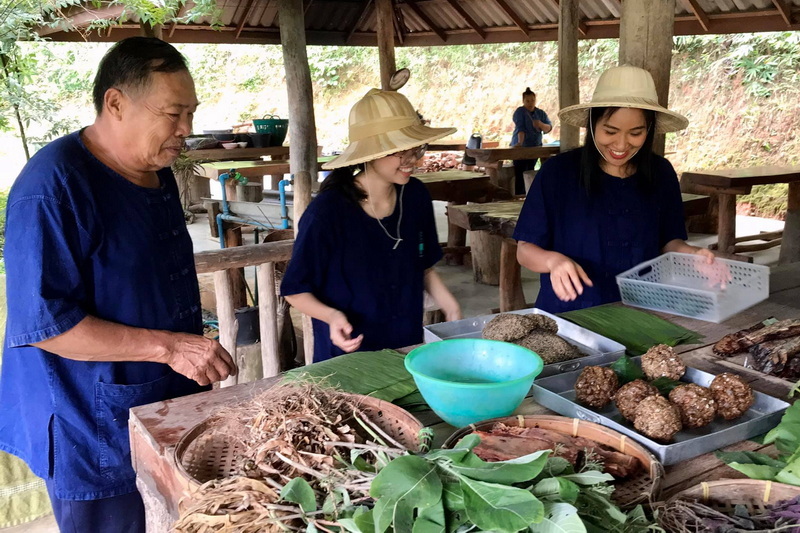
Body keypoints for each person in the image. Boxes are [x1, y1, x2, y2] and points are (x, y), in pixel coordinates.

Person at [0, 37, 237, 532]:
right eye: (173, 114)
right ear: (115, 103)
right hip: (86, 416)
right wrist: (171, 348)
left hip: (158, 394)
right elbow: (45, 325)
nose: (186, 131)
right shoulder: (53, 188)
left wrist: (180, 353)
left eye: (190, 113)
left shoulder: (156, 169)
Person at [514, 65, 718, 314]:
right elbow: (525, 250)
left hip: (643, 310)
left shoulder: (660, 173)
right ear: (592, 124)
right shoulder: (558, 173)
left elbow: (667, 241)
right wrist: (552, 261)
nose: (621, 144)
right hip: (572, 315)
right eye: (610, 131)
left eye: (636, 133)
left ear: (649, 130)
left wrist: (692, 254)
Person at [281, 88, 462, 363]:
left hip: (405, 347)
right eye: (400, 152)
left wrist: (450, 306)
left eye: (416, 149)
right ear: (371, 153)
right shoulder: (327, 213)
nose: (412, 160)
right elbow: (295, 289)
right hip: (348, 356)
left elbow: (423, 265)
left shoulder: (415, 196)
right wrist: (331, 316)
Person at [510, 87, 552, 194]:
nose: (530, 103)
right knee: (520, 172)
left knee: (530, 169)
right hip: (521, 147)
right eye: (527, 101)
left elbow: (549, 128)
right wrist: (520, 143)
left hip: (535, 146)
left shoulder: (540, 113)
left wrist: (540, 124)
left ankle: (530, 193)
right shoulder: (520, 112)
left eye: (532, 100)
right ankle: (520, 194)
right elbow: (521, 128)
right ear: (523, 101)